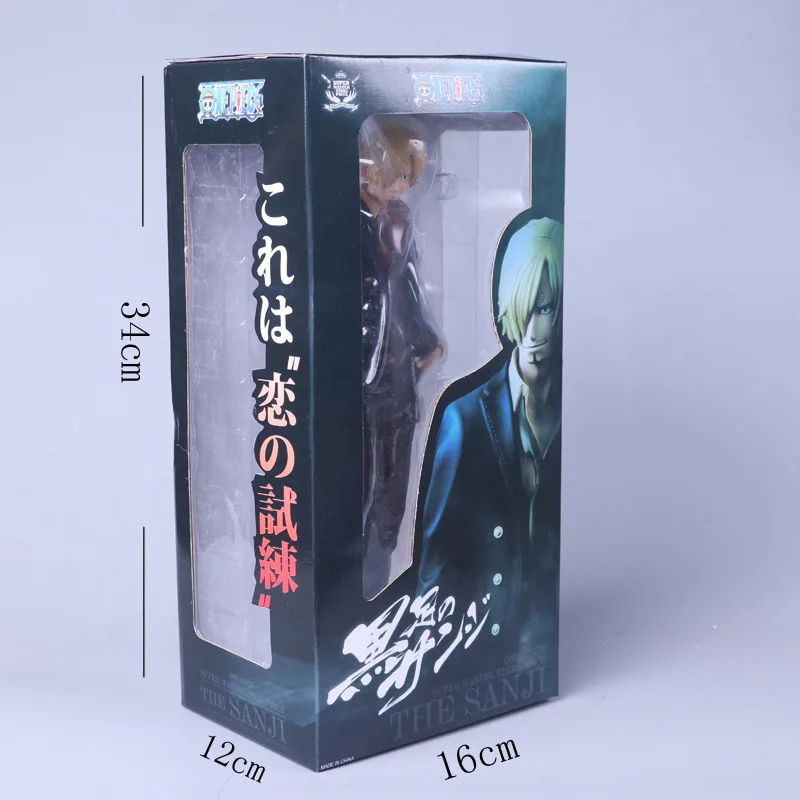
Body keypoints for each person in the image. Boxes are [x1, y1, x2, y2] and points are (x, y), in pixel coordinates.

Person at [417, 217, 564, 677]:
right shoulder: (464, 420)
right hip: (477, 653)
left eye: (546, 307)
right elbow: (433, 572)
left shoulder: (571, 408)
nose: (533, 329)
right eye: (524, 306)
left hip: (545, 649)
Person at [360, 119, 444, 599]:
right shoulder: (342, 219)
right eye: (392, 177)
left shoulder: (399, 219)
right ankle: (351, 584)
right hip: (356, 372)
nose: (399, 187)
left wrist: (425, 341)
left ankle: (378, 584)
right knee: (359, 483)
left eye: (407, 178)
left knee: (392, 486)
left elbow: (406, 282)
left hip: (397, 371)